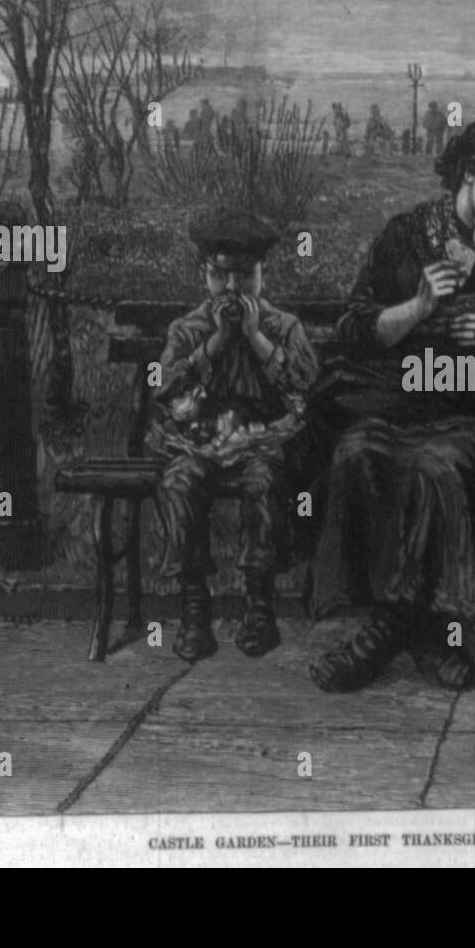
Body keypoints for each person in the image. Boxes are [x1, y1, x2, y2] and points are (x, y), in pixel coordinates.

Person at [305, 115, 475, 693]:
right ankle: (421, 629)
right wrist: (417, 307)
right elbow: (353, 329)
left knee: (433, 465)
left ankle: (398, 629)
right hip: (400, 407)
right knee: (357, 450)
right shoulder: (406, 237)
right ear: (471, 171)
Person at [147, 211, 320, 662]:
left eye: (244, 275)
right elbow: (164, 385)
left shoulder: (283, 326)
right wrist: (218, 343)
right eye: (219, 275)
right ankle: (194, 608)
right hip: (199, 439)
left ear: (262, 274)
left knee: (264, 483)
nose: (231, 287)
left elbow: (304, 382)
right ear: (205, 274)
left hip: (263, 440)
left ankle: (259, 605)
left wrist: (253, 336)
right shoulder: (188, 329)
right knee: (178, 482)